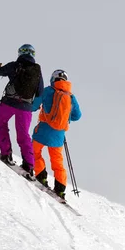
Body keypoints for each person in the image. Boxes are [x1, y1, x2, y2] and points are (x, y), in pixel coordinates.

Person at [0, 44, 44, 175]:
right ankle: (29, 165)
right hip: (26, 107)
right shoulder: (37, 70)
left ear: (20, 53)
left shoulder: (15, 65)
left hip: (9, 102)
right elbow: (40, 92)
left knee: (0, 124)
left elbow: (0, 71)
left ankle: (6, 152)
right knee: (23, 134)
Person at [31, 69, 82, 199]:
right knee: (57, 162)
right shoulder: (70, 96)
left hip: (43, 130)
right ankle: (60, 189)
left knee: (34, 152)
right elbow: (77, 116)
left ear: (53, 79)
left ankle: (41, 176)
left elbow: (34, 105)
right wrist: (64, 116)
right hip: (59, 135)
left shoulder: (48, 91)